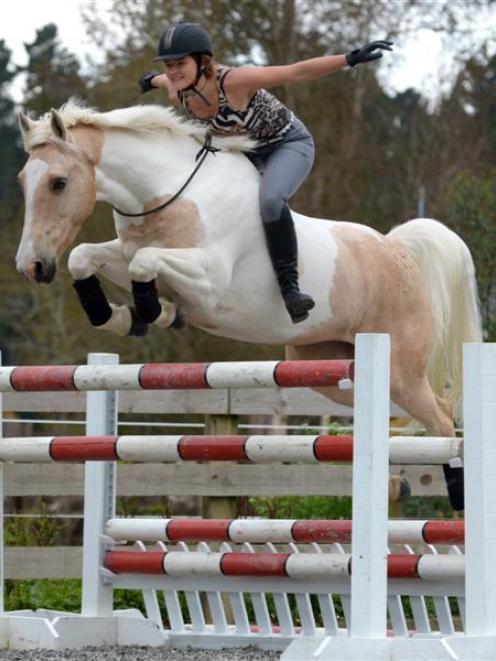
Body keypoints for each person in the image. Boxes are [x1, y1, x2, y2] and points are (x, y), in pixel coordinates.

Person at [139, 22, 393, 323]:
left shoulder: (234, 81)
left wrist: (348, 59)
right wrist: (149, 79)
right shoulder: (177, 91)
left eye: (180, 64)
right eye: (168, 66)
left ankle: (290, 289)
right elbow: (158, 80)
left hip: (288, 145)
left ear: (203, 62)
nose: (173, 72)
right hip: (246, 153)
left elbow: (296, 72)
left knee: (270, 201)